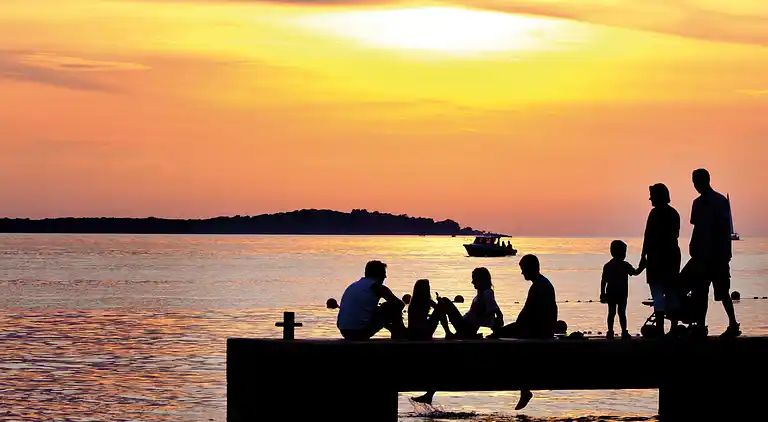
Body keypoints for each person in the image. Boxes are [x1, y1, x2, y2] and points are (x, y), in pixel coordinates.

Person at [411, 267, 503, 405]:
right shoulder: (482, 293)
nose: (472, 282)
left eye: (474, 278)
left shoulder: (487, 293)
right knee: (443, 304)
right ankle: (429, 394)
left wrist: (495, 331)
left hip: (466, 329)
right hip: (465, 328)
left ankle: (429, 394)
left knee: (445, 303)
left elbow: (495, 314)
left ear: (481, 279)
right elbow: (490, 315)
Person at [490, 254, 558, 410]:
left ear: (531, 268)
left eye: (523, 269)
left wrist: (509, 329)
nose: (522, 273)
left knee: (508, 344)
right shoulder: (543, 284)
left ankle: (523, 389)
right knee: (505, 334)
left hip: (538, 331)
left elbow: (526, 313)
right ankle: (523, 389)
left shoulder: (538, 286)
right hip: (541, 328)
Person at [684, 169, 740, 337]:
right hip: (702, 255)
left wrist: (725, 253)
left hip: (717, 255)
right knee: (700, 292)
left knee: (722, 292)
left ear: (706, 180)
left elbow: (723, 229)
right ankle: (701, 325)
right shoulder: (698, 203)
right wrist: (693, 246)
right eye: (694, 182)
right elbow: (697, 228)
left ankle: (732, 324)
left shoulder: (720, 201)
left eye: (697, 181)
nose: (695, 185)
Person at [640, 183, 681, 336]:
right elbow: (675, 235)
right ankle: (674, 328)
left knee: (657, 294)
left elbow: (648, 236)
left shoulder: (654, 214)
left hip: (656, 257)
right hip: (672, 256)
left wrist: (643, 256)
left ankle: (660, 329)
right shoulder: (674, 213)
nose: (650, 199)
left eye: (652, 196)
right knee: (671, 292)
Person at [336, 260, 407, 340]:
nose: (385, 277)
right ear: (377, 274)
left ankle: (396, 331)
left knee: (380, 309)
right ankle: (401, 333)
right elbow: (399, 304)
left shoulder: (354, 285)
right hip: (359, 332)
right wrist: (385, 307)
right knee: (393, 306)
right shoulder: (376, 286)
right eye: (383, 273)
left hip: (344, 331)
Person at [601, 240, 645, 339]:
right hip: (621, 293)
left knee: (612, 313)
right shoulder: (624, 265)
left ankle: (611, 332)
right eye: (624, 252)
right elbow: (635, 272)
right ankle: (623, 332)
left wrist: (602, 293)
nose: (625, 254)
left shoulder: (608, 265)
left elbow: (603, 281)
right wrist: (642, 266)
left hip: (612, 292)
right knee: (621, 313)